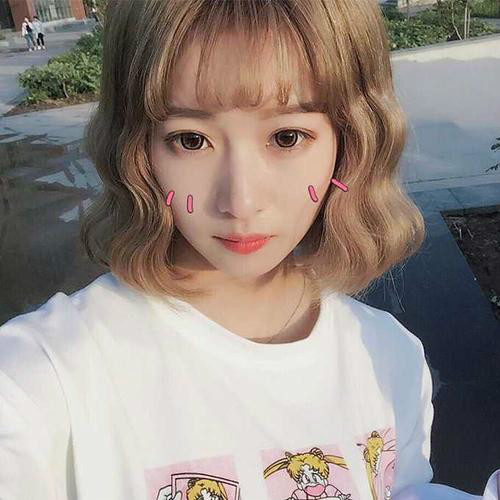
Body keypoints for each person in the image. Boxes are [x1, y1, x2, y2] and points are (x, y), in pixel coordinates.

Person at [0, 1, 498, 500]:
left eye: (287, 136)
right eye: (191, 140)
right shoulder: (45, 378)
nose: (241, 201)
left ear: (350, 142)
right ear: (138, 149)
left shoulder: (391, 357)